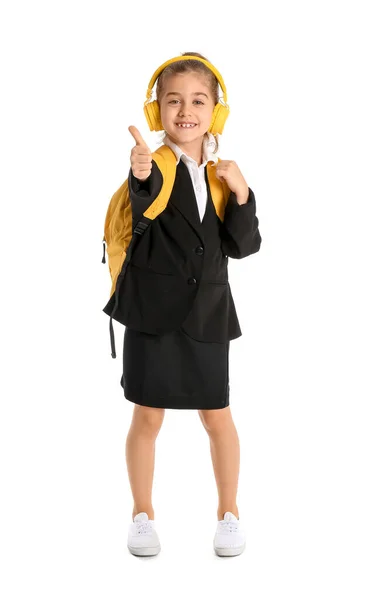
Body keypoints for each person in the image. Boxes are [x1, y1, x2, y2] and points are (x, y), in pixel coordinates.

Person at [117, 52, 262, 557]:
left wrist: (242, 193)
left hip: (207, 313)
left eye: (198, 100)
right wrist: (138, 173)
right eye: (173, 100)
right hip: (152, 312)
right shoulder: (153, 165)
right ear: (158, 110)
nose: (186, 110)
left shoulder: (225, 174)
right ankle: (142, 515)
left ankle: (229, 513)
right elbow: (143, 198)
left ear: (215, 111)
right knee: (147, 416)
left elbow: (243, 246)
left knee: (217, 415)